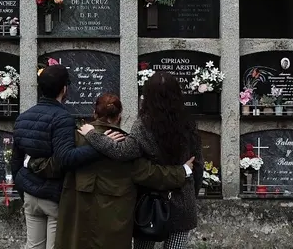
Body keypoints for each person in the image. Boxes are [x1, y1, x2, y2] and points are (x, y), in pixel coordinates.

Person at [27, 93, 195, 249]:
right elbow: (148, 173)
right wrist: (183, 171)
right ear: (119, 117)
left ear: (94, 113)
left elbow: (56, 164)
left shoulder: (75, 138)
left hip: (78, 219)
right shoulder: (125, 144)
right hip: (113, 221)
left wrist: (32, 163)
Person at [82, 72, 203, 249]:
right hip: (183, 199)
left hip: (149, 204)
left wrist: (93, 135)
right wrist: (192, 193)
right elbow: (197, 165)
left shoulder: (143, 125)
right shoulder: (189, 124)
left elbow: (122, 152)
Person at [11, 64, 101, 249]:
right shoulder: (62, 118)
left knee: (33, 246)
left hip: (30, 192)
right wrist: (99, 147)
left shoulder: (23, 118)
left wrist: (23, 188)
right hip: (53, 196)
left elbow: (16, 161)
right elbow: (65, 158)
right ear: (64, 89)